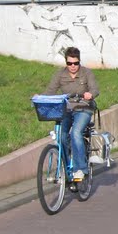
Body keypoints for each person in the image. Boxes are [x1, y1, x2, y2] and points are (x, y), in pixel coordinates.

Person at [43, 47, 99, 182]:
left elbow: (95, 89)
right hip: (67, 110)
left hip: (83, 109)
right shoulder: (60, 74)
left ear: (79, 61)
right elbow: (50, 91)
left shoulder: (86, 73)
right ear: (66, 62)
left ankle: (80, 169)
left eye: (75, 63)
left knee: (75, 132)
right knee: (61, 136)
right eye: (69, 63)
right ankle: (68, 165)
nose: (73, 66)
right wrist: (41, 98)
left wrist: (90, 94)